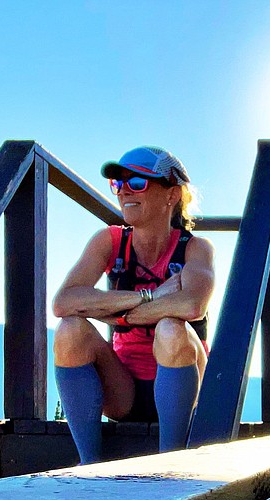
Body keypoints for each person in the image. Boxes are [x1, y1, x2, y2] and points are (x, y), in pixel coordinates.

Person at [52, 146, 215, 463]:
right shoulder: (109, 241)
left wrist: (114, 313)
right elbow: (64, 302)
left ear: (171, 195)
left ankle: (172, 462)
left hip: (186, 387)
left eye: (137, 182)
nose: (124, 190)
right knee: (69, 330)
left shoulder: (196, 249)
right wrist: (150, 298)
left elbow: (193, 305)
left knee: (171, 329)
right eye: (118, 183)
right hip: (122, 389)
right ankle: (90, 466)